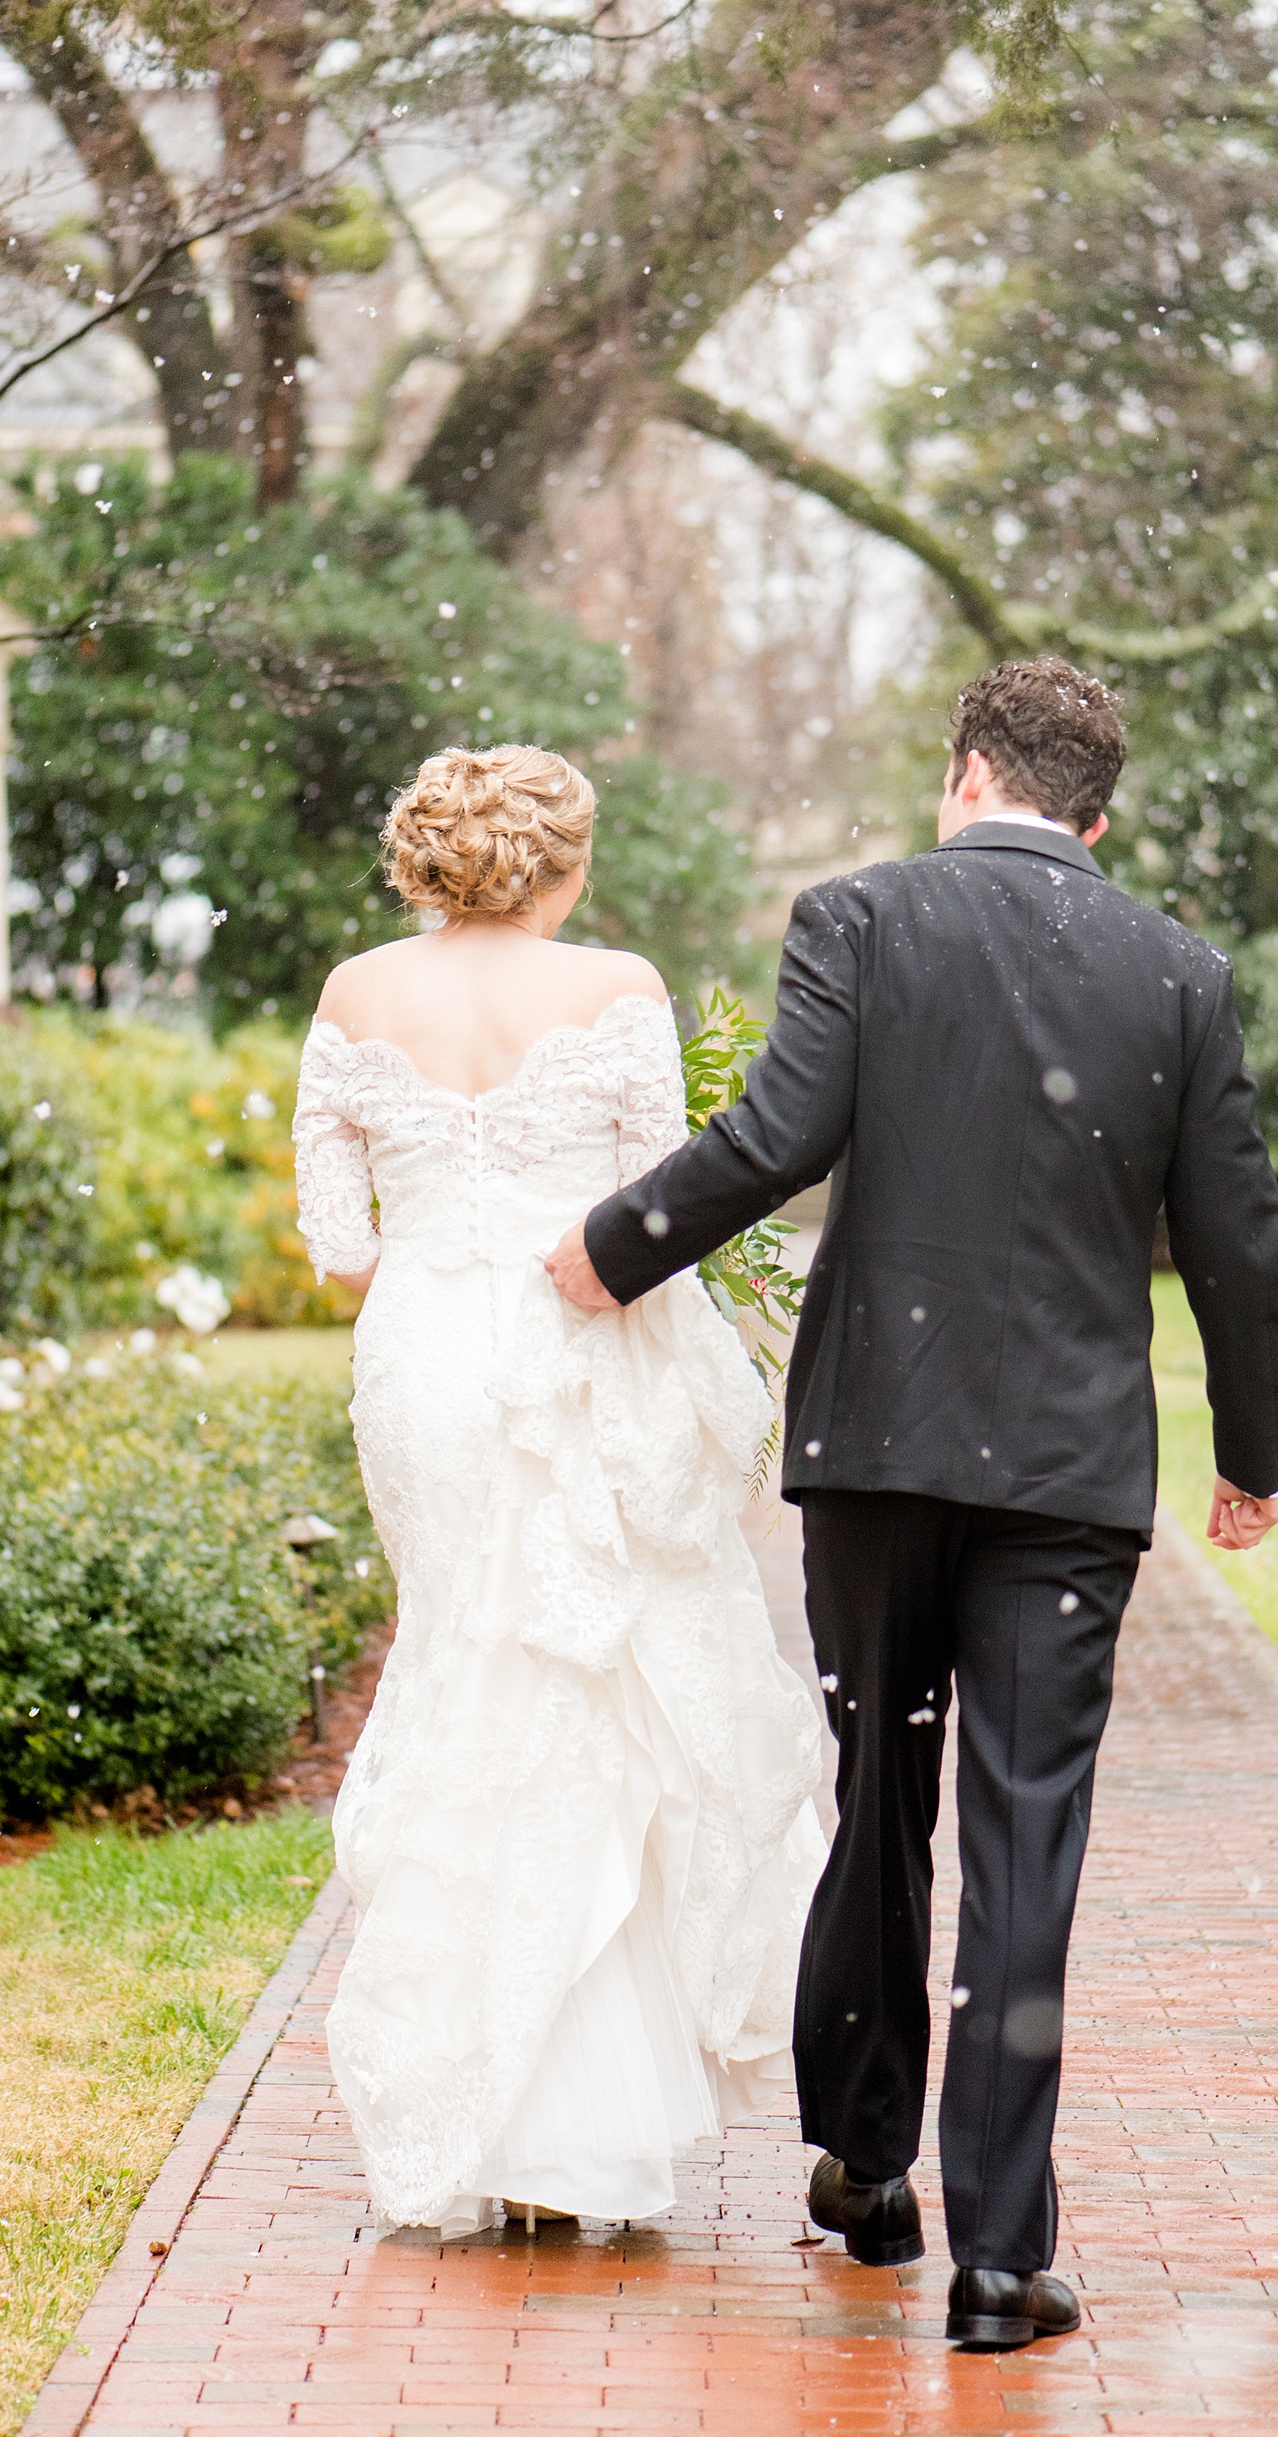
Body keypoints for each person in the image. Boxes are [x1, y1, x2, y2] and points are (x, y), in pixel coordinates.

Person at [546, 658, 1278, 2347]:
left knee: (877, 1790)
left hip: (879, 1449)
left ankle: (864, 2166)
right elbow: (1241, 1242)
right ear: (1095, 816)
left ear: (965, 774)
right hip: (1069, 1480)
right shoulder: (1178, 973)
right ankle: (1003, 2259)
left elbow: (774, 1137)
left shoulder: (862, 919)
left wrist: (612, 1248)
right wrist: (1254, 1451)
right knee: (1028, 1837)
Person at [293, 743, 825, 2240]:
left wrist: (435, 1265)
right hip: (576, 1347)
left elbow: (338, 1242)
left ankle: (478, 2095)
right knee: (586, 1687)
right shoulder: (616, 986)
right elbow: (658, 1208)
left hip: (423, 1367)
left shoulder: (354, 993)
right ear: (561, 863)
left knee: (467, 1669)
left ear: (425, 857)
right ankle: (570, 2121)